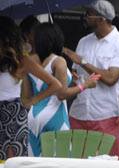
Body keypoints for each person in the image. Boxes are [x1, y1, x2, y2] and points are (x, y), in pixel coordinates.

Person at [63, 0, 119, 160]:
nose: (85, 17)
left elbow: (110, 78)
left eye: (89, 14)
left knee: (108, 166)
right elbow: (76, 73)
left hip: (108, 115)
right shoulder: (83, 41)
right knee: (77, 166)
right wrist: (73, 76)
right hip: (79, 113)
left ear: (102, 18)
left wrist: (83, 62)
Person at [23, 23, 98, 156]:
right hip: (55, 115)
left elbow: (27, 95)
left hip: (33, 116)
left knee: (34, 159)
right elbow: (61, 95)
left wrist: (72, 83)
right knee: (59, 161)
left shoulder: (28, 61)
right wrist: (85, 85)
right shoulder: (58, 61)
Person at [0, 16, 61, 160]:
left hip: (13, 113)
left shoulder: (22, 60)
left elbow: (55, 84)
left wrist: (33, 100)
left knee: (11, 161)